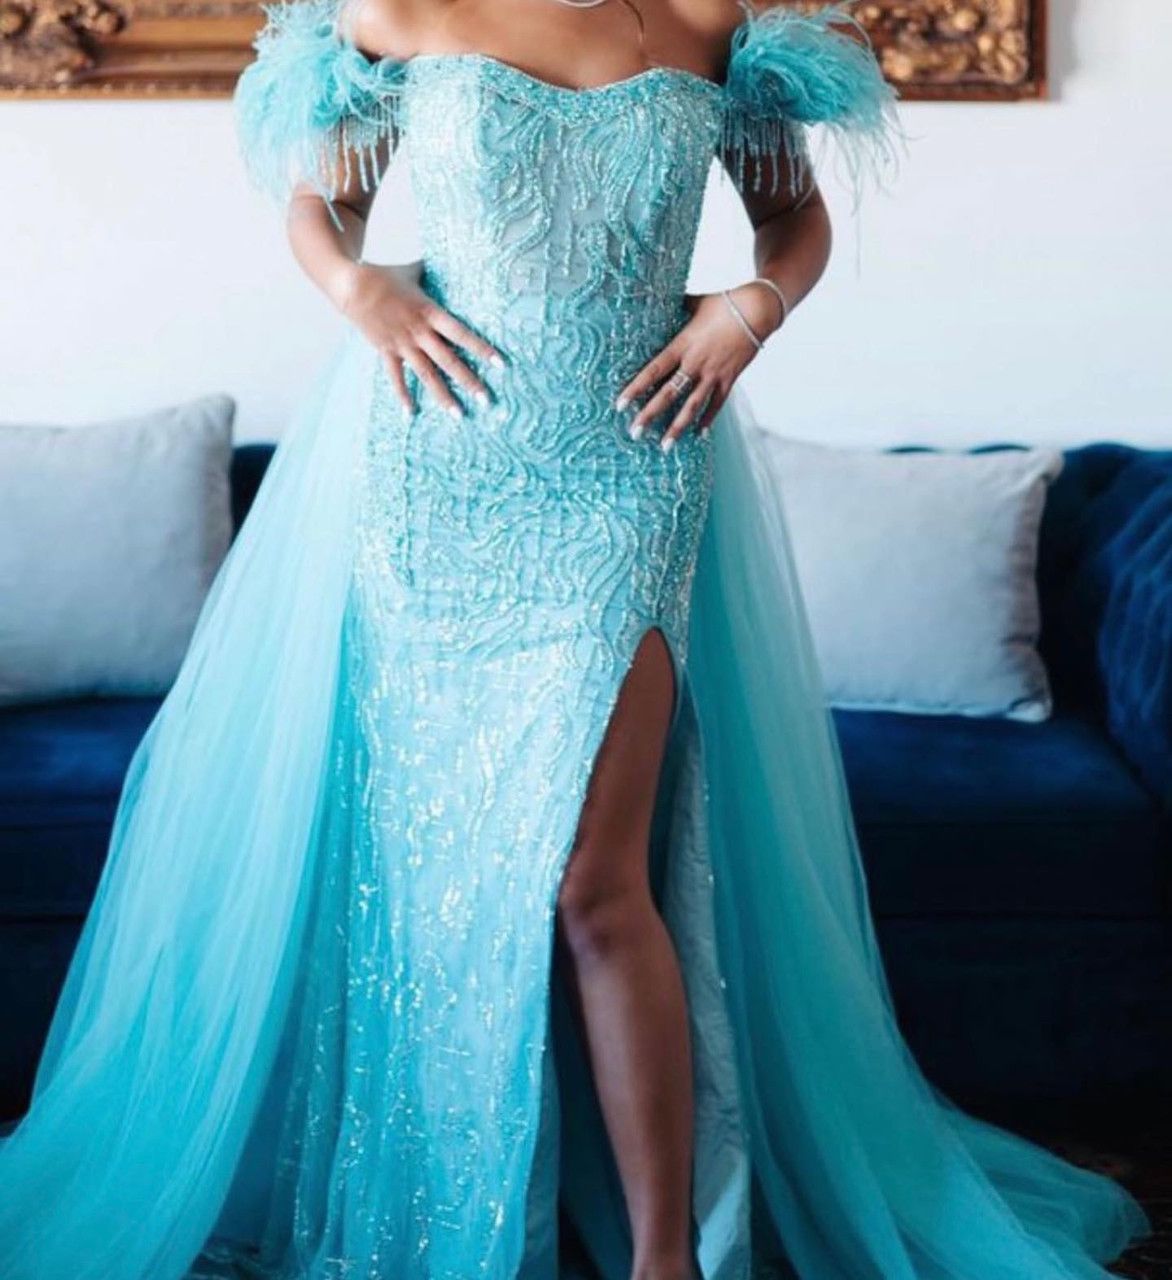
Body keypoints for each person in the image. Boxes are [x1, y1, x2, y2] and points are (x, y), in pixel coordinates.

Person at [0, 0, 1151, 1276]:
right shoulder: (397, 10)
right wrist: (359, 289)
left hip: (630, 465)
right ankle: (446, 1221)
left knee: (593, 880)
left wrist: (748, 307)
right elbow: (321, 205)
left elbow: (793, 217)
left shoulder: (706, 19)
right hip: (437, 462)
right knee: (431, 874)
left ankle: (665, 1254)